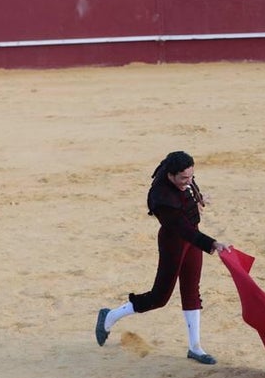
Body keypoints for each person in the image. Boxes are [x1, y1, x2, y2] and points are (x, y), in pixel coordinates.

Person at [95, 152, 230, 366]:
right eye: (183, 178)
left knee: (191, 289)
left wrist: (198, 197)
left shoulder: (181, 173)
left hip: (192, 238)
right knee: (159, 297)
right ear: (170, 175)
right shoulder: (161, 198)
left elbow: (190, 186)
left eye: (191, 176)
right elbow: (182, 229)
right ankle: (110, 316)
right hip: (174, 242)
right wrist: (212, 243)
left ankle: (195, 348)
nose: (188, 181)